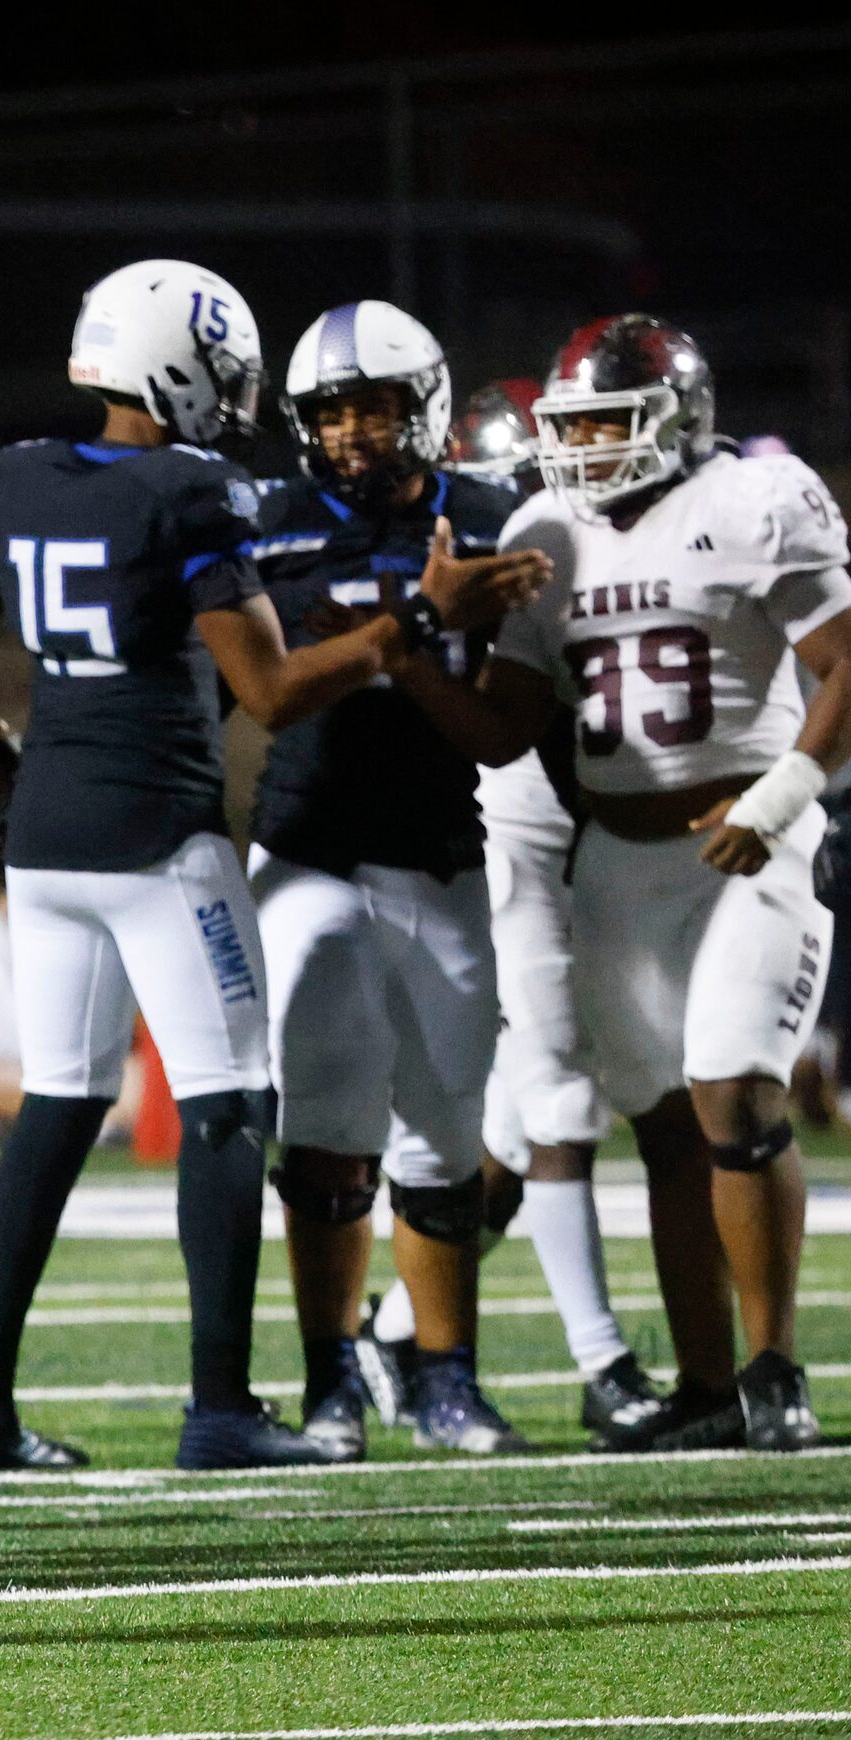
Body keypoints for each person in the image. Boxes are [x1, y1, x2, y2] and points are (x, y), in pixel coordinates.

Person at [0, 259, 420, 1474]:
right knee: (229, 1103)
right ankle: (220, 1407)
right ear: (176, 367)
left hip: (43, 845)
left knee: (56, 1107)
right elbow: (276, 692)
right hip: (156, 839)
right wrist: (403, 627)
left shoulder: (18, 480)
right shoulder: (191, 495)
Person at [384, 313, 850, 1453]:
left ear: (678, 419)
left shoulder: (752, 501)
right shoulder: (549, 528)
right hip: (618, 863)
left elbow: (845, 662)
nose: (586, 446)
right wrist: (413, 646)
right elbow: (503, 733)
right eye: (572, 426)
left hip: (748, 837)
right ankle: (702, 1388)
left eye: (607, 423)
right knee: (663, 1131)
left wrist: (779, 798)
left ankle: (772, 1370)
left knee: (734, 1088)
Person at [240, 303, 557, 1460]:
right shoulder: (263, 525)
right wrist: (412, 621)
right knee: (323, 1129)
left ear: (421, 410)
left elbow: (496, 736)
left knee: (442, 1127)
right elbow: (254, 689)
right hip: (308, 844)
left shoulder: (484, 520)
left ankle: (443, 1382)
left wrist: (404, 648)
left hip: (438, 847)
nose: (352, 433)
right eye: (330, 413)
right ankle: (329, 1384)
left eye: (373, 407)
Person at [359, 378, 670, 1447]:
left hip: (588, 817)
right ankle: (602, 1364)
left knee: (513, 1115)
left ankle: (391, 1328)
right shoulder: (478, 542)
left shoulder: (593, 530)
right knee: (555, 1099)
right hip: (518, 822)